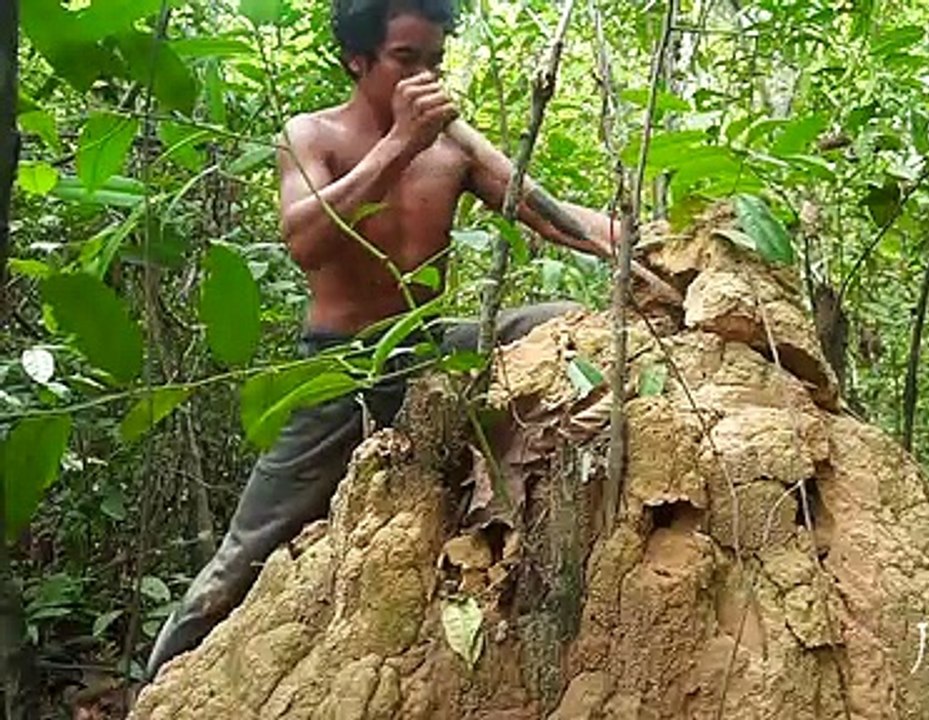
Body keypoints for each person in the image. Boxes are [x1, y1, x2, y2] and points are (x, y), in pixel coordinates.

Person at [145, 0, 620, 679]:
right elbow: (305, 242)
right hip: (339, 367)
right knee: (242, 559)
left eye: (433, 62)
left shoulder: (455, 147)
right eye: (405, 61)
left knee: (561, 322)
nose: (423, 79)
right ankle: (156, 691)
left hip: (428, 351)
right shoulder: (311, 136)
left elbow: (546, 213)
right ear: (357, 60)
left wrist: (632, 242)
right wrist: (399, 144)